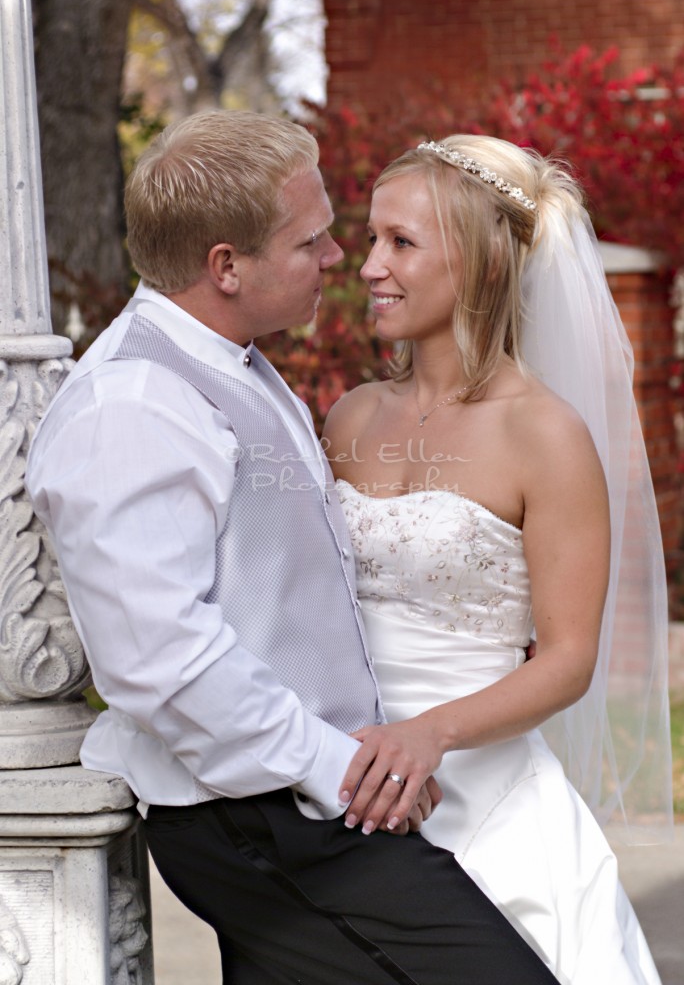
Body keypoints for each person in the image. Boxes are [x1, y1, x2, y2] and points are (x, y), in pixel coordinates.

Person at [24, 112, 561, 985]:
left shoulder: (236, 364)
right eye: (310, 240)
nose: (339, 258)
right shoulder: (129, 407)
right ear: (226, 266)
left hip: (306, 803)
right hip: (266, 820)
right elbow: (165, 662)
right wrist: (343, 767)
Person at [324, 134, 673, 985]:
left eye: (401, 244)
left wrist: (430, 735)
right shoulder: (350, 416)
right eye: (371, 239)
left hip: (482, 795)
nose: (370, 266)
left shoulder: (544, 434)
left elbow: (567, 660)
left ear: (479, 263)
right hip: (340, 783)